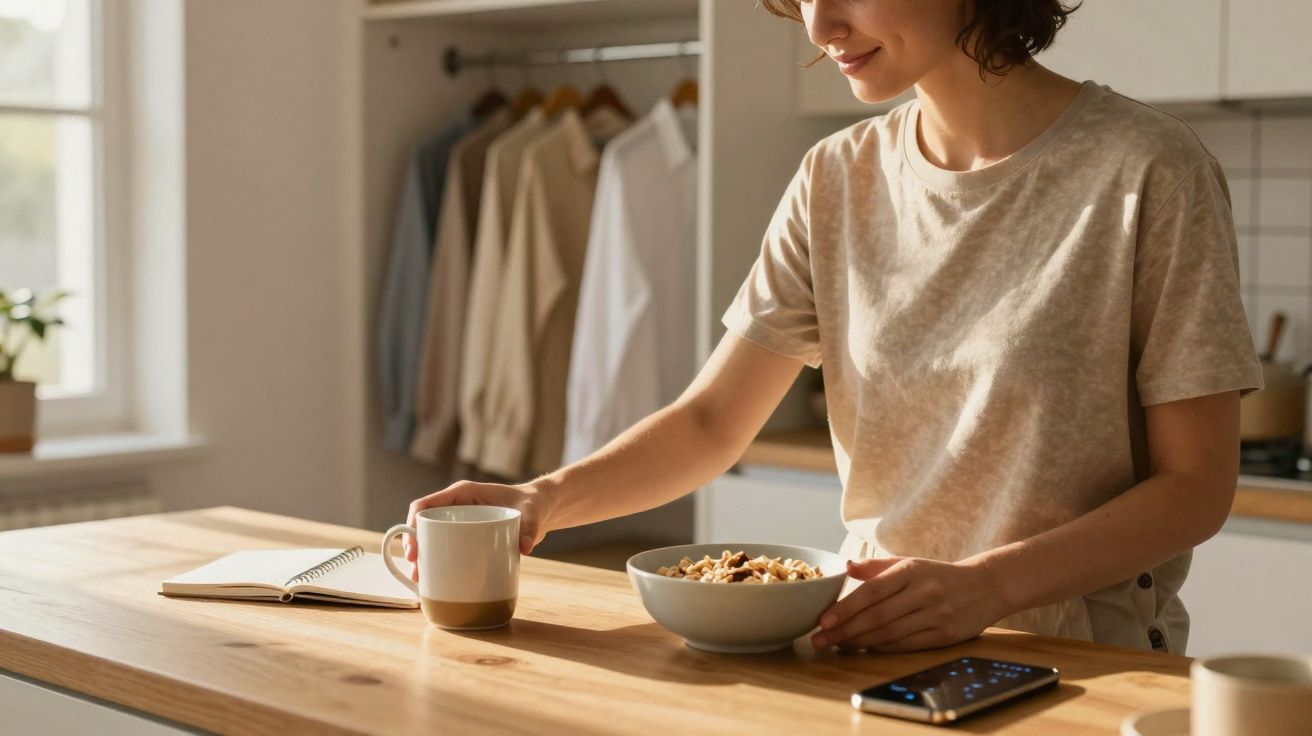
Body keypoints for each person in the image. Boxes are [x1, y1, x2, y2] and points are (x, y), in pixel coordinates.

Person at [404, 0, 1262, 656]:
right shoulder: (835, 177)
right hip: (865, 642)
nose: (818, 23)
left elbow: (1195, 487)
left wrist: (985, 588)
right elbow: (711, 423)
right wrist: (542, 497)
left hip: (1075, 661)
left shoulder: (1150, 171)